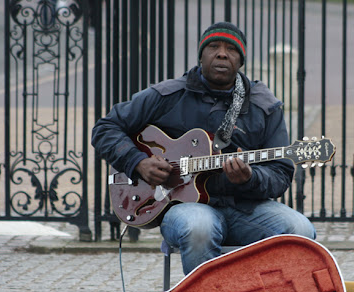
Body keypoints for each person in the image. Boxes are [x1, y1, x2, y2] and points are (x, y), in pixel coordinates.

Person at [92, 22, 316, 275]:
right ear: (201, 55)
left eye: (231, 49)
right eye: (213, 46)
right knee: (199, 228)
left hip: (247, 208)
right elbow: (105, 128)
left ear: (240, 61)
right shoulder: (167, 95)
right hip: (185, 209)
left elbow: (280, 174)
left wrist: (250, 178)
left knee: (301, 231)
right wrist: (138, 163)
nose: (222, 53)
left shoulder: (265, 107)